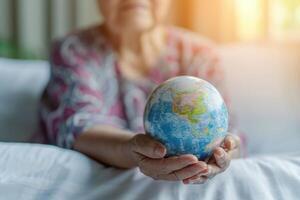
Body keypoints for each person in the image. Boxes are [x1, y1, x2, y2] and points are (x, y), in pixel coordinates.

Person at [39, 0, 241, 185]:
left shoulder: (199, 53)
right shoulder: (74, 50)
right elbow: (78, 126)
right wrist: (132, 150)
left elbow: (229, 134)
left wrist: (225, 150)